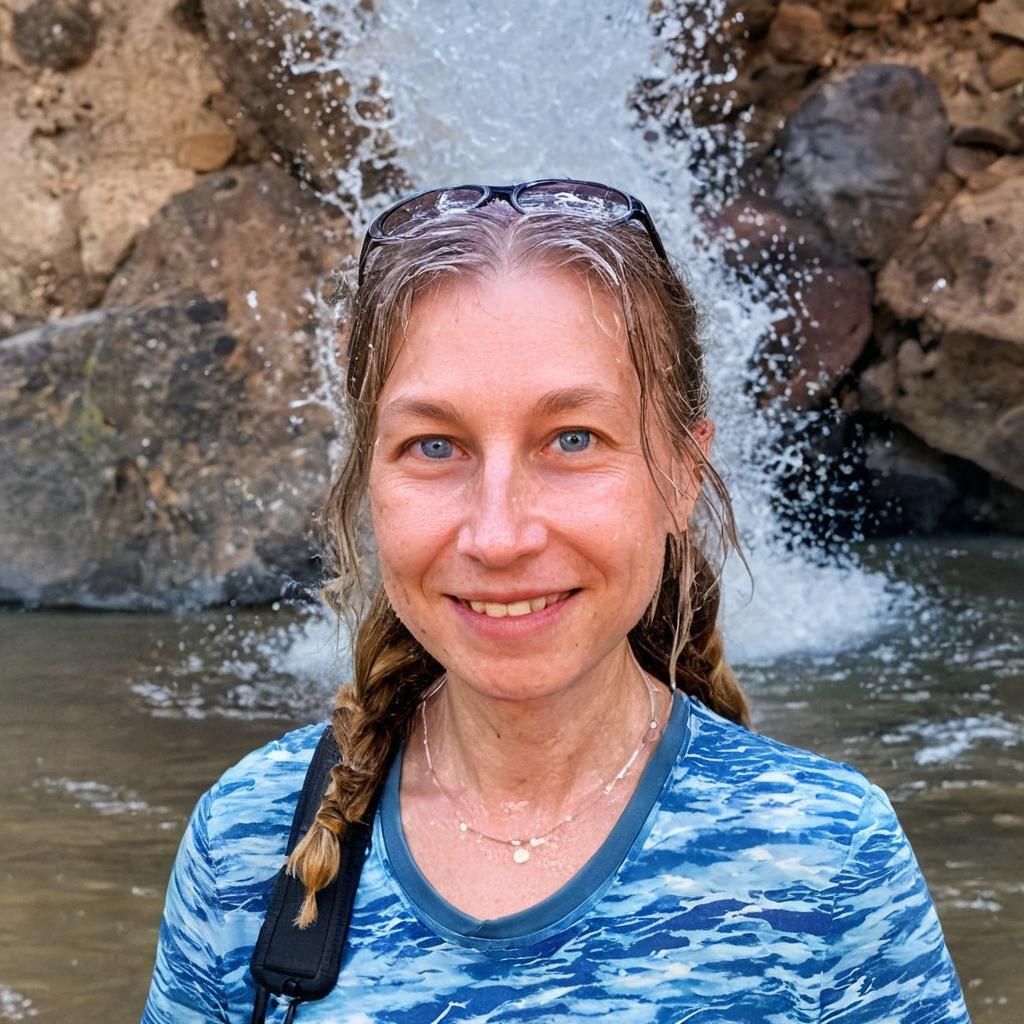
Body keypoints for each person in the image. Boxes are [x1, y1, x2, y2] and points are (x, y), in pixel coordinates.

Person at [142, 179, 970, 1023]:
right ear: (368, 480)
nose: (498, 536)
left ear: (682, 473)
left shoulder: (829, 858)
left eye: (574, 439)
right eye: (435, 445)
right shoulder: (248, 844)